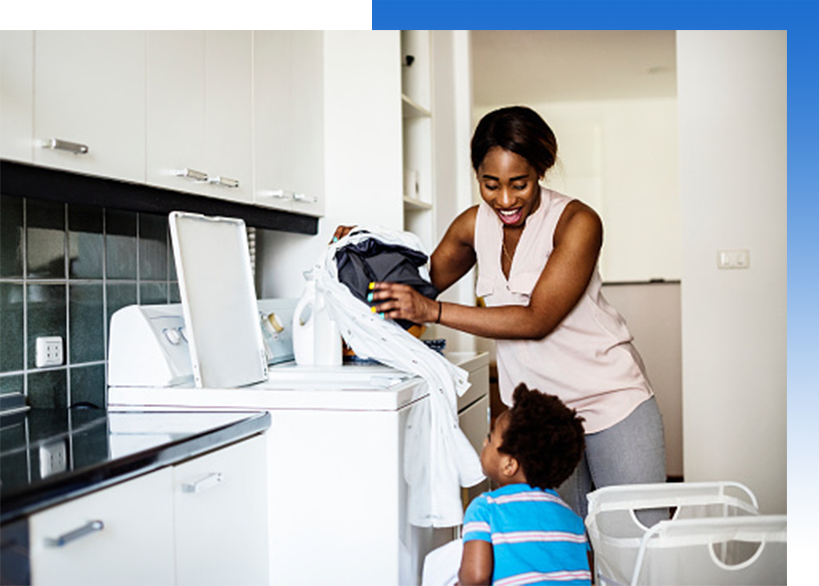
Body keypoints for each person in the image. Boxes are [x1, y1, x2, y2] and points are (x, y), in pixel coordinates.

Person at [333, 105, 667, 521]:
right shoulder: (472, 227)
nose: (505, 200)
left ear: (541, 170)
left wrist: (433, 310)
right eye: (490, 185)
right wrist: (362, 247)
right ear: (477, 176)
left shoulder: (578, 222)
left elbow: (537, 320)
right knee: (556, 548)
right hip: (540, 419)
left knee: (638, 541)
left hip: (611, 401)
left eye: (519, 184)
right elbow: (413, 288)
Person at [458, 383, 590, 586]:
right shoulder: (573, 519)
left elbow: (476, 577)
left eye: (490, 439)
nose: (485, 444)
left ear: (509, 465)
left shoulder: (485, 508)